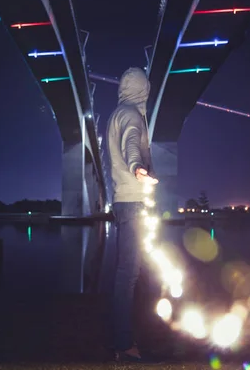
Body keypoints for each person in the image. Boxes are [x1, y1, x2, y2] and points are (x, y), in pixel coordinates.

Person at [106, 67, 159, 362]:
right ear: (143, 89)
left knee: (133, 273)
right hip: (134, 203)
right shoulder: (131, 115)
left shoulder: (116, 113)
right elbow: (130, 143)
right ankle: (124, 344)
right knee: (128, 275)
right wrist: (138, 167)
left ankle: (130, 337)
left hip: (124, 203)